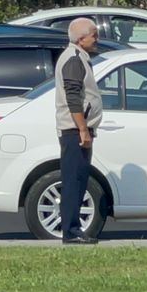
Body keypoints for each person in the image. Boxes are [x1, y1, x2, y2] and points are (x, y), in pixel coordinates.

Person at [54, 17, 103, 244]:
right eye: (94, 35)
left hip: (79, 130)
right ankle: (71, 232)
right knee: (73, 181)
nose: (97, 39)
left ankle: (74, 230)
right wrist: (82, 129)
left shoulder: (80, 57)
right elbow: (73, 97)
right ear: (81, 39)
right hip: (74, 131)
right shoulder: (74, 59)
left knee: (79, 180)